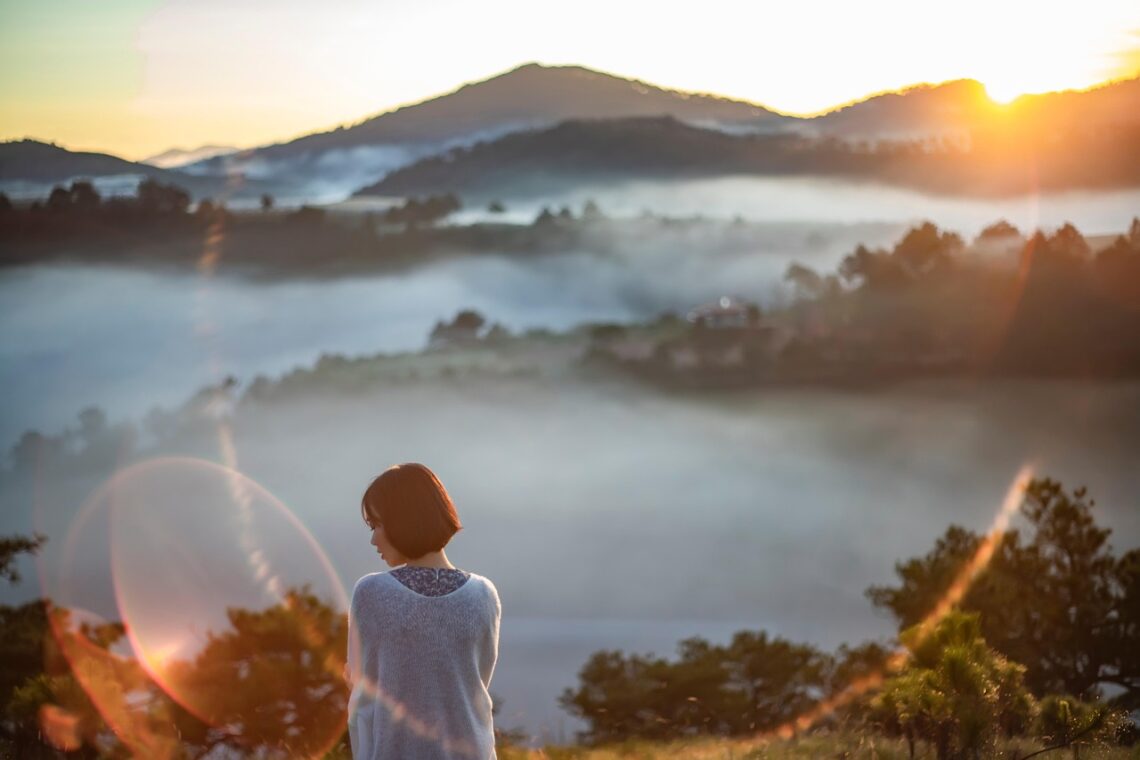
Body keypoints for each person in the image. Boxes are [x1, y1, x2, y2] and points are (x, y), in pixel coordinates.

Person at [346, 463, 501, 759]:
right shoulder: (484, 595)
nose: (373, 539)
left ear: (403, 520)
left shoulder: (370, 593)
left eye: (377, 525)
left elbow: (363, 704)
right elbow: (476, 689)